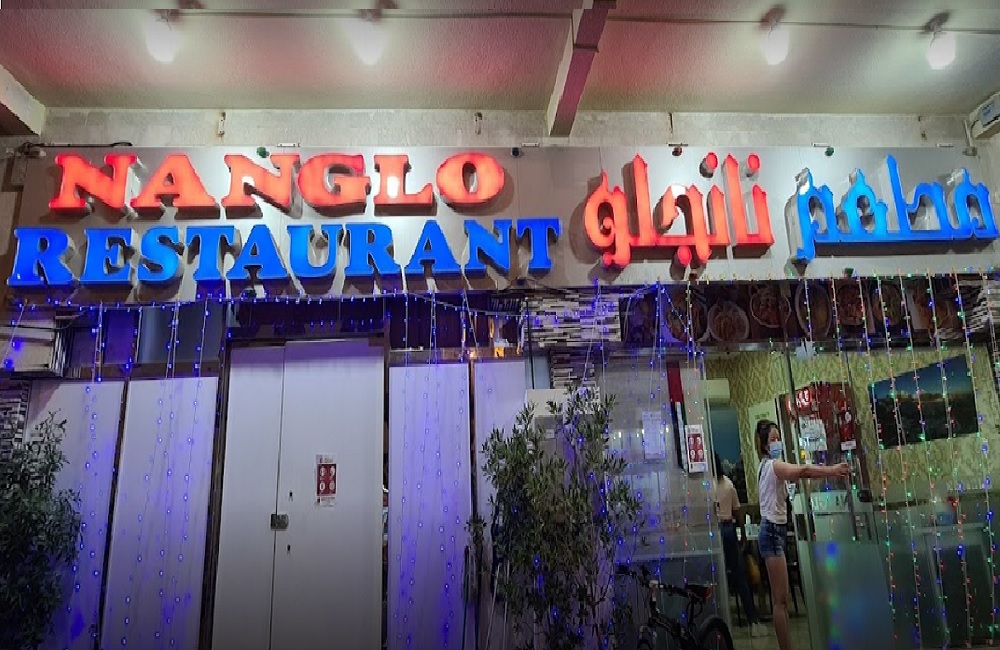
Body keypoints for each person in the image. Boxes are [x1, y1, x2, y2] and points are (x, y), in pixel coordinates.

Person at [755, 419, 849, 650]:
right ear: (765, 446)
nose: (777, 443)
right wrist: (833, 470)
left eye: (779, 438)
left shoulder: (767, 466)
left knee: (782, 599)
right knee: (780, 601)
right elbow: (804, 471)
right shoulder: (772, 465)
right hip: (771, 531)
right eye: (773, 439)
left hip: (775, 530)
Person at [714, 454, 765, 637]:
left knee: (716, 576)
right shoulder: (728, 484)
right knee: (740, 575)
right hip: (729, 529)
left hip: (715, 530)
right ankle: (753, 620)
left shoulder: (706, 485)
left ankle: (717, 623)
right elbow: (738, 511)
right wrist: (742, 534)